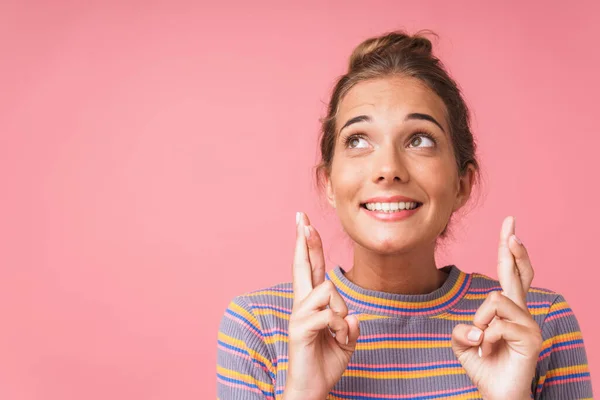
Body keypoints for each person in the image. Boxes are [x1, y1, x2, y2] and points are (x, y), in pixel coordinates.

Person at [216, 30, 593, 399]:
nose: (388, 168)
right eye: (358, 140)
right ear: (329, 183)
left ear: (462, 184)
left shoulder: (538, 322)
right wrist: (302, 392)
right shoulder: (261, 326)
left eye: (420, 139)